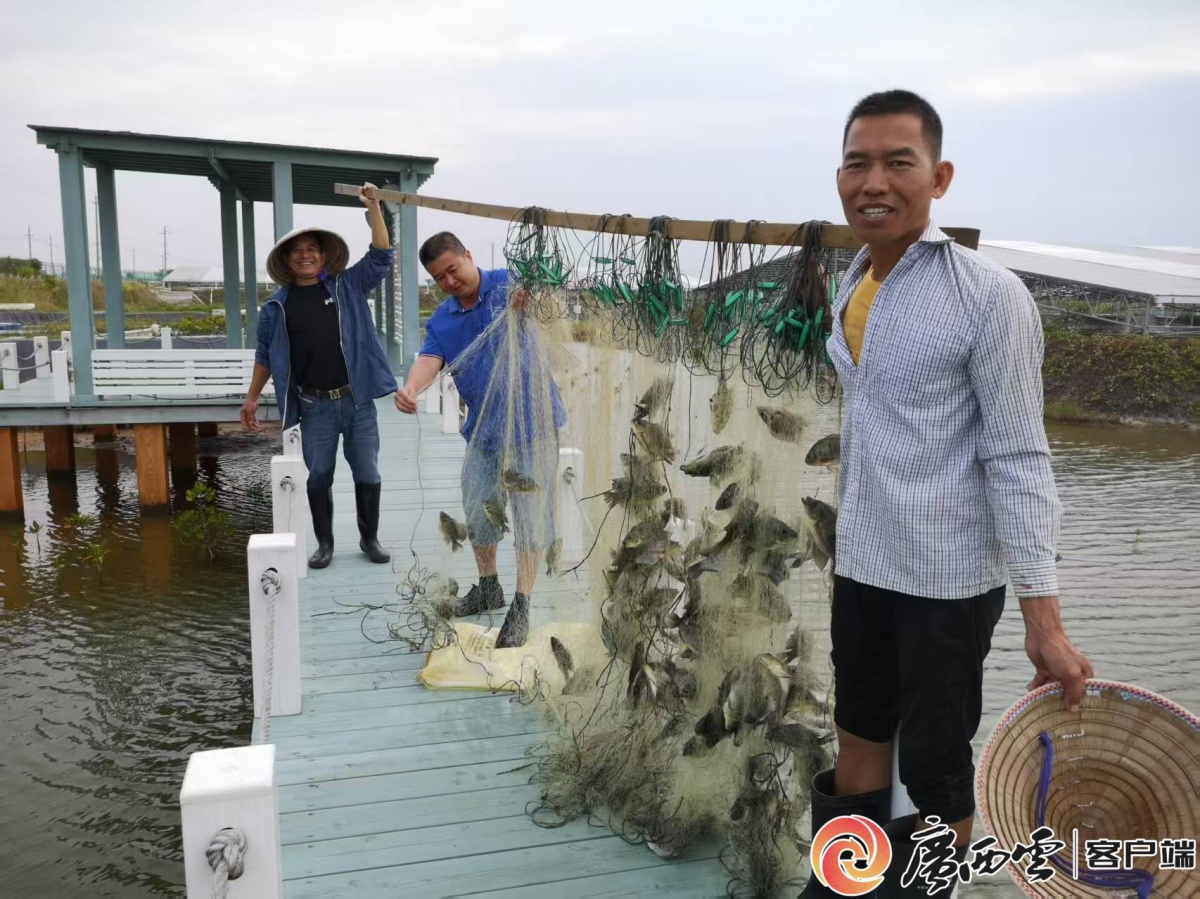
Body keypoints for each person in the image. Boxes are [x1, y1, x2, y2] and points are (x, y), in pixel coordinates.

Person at [801, 90, 1094, 898]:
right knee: (858, 733)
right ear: (839, 176)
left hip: (947, 580)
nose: (874, 182)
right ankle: (847, 883)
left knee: (935, 765)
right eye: (857, 163)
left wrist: (1045, 620)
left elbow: (1019, 455)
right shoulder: (854, 278)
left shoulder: (988, 295)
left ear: (939, 177)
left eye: (899, 162)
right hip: (863, 562)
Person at [394, 232, 566, 649]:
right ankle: (489, 587)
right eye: (439, 278)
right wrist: (411, 388)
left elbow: (550, 301)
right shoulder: (442, 320)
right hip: (484, 433)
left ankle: (522, 602)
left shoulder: (507, 283)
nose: (449, 282)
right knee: (478, 508)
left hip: (533, 427)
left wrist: (532, 299)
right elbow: (430, 359)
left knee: (530, 514)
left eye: (453, 270)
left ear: (469, 256)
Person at [241, 183, 396, 570]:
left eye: (312, 248)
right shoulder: (276, 307)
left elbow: (380, 256)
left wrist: (374, 207)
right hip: (314, 405)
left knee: (368, 472)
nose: (305, 255)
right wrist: (252, 397)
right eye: (297, 250)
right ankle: (325, 544)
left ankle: (370, 539)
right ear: (288, 260)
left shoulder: (347, 286)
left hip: (357, 401)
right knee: (318, 476)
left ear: (323, 256)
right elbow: (264, 355)